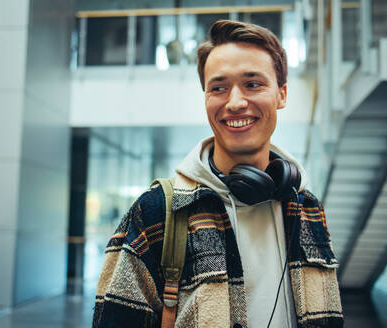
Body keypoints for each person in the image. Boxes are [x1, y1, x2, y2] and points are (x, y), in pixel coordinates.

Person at [92, 20, 343, 328]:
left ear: (282, 94)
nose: (235, 102)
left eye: (253, 84)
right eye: (219, 88)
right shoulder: (157, 212)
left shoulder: (308, 208)